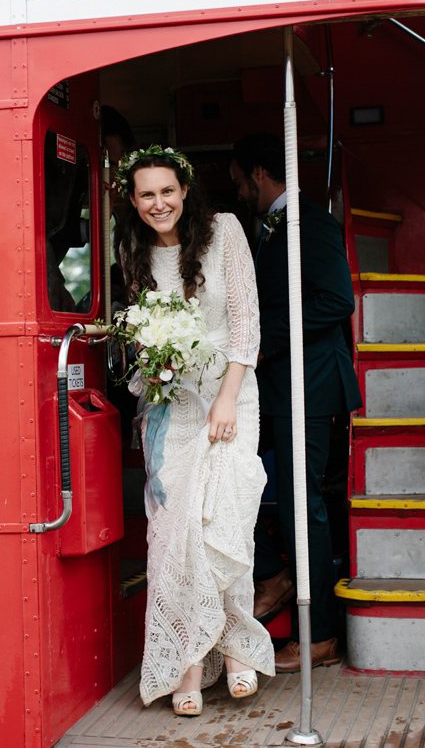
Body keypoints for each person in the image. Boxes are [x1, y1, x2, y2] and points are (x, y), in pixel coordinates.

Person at [115, 146, 274, 715]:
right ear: (132, 202)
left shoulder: (225, 232)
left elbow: (245, 324)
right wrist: (152, 363)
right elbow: (141, 338)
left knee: (224, 522)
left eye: (167, 191)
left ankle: (235, 652)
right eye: (146, 195)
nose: (159, 203)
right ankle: (185, 662)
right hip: (172, 408)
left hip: (232, 398)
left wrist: (226, 400)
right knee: (177, 534)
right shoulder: (132, 252)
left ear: (184, 190)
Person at [229, 133, 363, 673]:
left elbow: (337, 299)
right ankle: (276, 577)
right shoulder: (277, 225)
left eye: (240, 181)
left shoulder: (311, 220)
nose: (240, 193)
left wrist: (266, 341)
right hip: (286, 384)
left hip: (309, 384)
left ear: (260, 172)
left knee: (303, 507)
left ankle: (323, 635)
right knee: (260, 487)